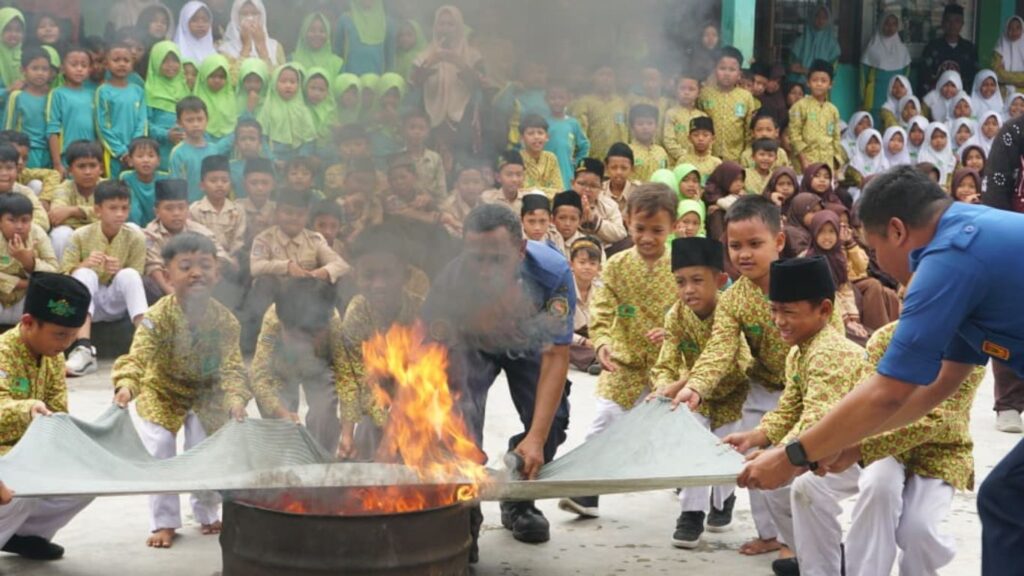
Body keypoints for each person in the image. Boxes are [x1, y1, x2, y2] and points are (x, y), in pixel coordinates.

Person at [729, 165, 1024, 574]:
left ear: (898, 231)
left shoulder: (947, 260)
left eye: (873, 247)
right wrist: (853, 444)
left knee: (1007, 500)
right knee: (1006, 499)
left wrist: (795, 455)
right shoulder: (967, 243)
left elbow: (889, 391)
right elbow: (938, 384)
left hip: (937, 454)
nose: (875, 261)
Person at [669, 196, 845, 559]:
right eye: (735, 246)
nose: (744, 254)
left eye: (755, 244)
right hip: (764, 387)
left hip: (814, 389)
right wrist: (695, 387)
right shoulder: (734, 299)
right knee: (755, 465)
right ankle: (777, 537)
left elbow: (834, 342)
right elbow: (720, 349)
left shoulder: (808, 279)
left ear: (778, 242)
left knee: (802, 471)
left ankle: (812, 548)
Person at [420, 203, 574, 554]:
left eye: (497, 260)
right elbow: (431, 357)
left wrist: (535, 438)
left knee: (551, 423)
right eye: (477, 259)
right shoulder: (450, 283)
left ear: (520, 251)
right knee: (459, 424)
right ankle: (464, 519)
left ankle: (518, 502)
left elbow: (556, 357)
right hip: (472, 347)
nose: (486, 271)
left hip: (530, 346)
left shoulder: (553, 274)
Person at [722, 256, 871, 576]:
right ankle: (815, 559)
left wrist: (780, 454)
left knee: (803, 486)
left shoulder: (829, 350)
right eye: (774, 310)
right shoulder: (799, 351)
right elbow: (789, 409)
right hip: (829, 448)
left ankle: (824, 567)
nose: (779, 321)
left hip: (863, 453)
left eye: (789, 312)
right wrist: (756, 437)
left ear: (825, 310)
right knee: (778, 486)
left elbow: (817, 417)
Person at [111, 232, 248, 549]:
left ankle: (207, 511)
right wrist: (126, 386)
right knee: (160, 445)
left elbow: (231, 367)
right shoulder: (156, 317)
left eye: (204, 265)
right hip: (161, 391)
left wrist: (236, 399)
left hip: (205, 394)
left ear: (217, 273)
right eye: (185, 266)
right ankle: (164, 522)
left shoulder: (226, 321)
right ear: (168, 274)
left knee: (203, 445)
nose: (196, 273)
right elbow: (138, 356)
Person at [560, 183, 677, 519]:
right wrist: (601, 342)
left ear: (671, 227)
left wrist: (673, 332)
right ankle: (587, 493)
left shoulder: (681, 265)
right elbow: (603, 311)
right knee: (606, 418)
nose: (648, 237)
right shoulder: (616, 264)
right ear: (627, 221)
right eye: (640, 228)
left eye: (657, 230)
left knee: (676, 425)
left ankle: (695, 492)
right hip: (623, 361)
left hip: (670, 366)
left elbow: (695, 309)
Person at [831, 321, 982, 576]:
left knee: (919, 530)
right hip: (882, 442)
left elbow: (934, 419)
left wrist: (858, 447)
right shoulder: (886, 337)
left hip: (942, 449)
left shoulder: (969, 346)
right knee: (878, 488)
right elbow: (869, 400)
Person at [649, 237, 747, 548]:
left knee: (725, 454)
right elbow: (666, 362)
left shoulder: (731, 311)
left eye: (697, 280)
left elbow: (736, 363)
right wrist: (662, 387)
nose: (688, 289)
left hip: (734, 397)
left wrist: (680, 384)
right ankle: (691, 513)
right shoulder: (675, 316)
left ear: (719, 281)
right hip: (693, 400)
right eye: (680, 282)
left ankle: (724, 499)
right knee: (692, 445)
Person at [0, 272, 92, 561]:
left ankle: (23, 537)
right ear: (28, 322)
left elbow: (58, 410)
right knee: (24, 488)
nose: (66, 343)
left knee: (87, 481)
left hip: (33, 453)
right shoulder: (2, 353)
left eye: (73, 335)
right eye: (60, 335)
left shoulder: (53, 356)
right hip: (5, 456)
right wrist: (28, 409)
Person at [335, 227, 426, 459]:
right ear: (356, 276)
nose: (378, 284)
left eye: (387, 275)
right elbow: (350, 379)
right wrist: (346, 434)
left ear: (405, 276)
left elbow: (418, 380)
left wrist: (391, 436)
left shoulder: (420, 311)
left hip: (416, 394)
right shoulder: (357, 312)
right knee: (366, 434)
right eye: (369, 275)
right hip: (374, 391)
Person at [60, 180, 147, 377]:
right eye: (113, 208)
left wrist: (117, 271)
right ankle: (84, 349)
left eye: (124, 208)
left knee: (129, 274)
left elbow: (137, 278)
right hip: (85, 305)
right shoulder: (80, 235)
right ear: (98, 210)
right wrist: (85, 264)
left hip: (115, 303)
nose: (119, 214)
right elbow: (64, 275)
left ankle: (146, 344)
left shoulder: (135, 237)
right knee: (84, 274)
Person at [250, 277, 341, 453]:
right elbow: (258, 375)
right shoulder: (274, 319)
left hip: (319, 369)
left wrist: (347, 431)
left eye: (309, 339)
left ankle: (321, 461)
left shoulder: (332, 322)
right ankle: (284, 462)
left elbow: (348, 375)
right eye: (296, 338)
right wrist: (281, 412)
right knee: (275, 411)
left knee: (324, 413)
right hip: (283, 368)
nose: (302, 347)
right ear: (283, 324)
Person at [410, 5, 483, 171]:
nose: (446, 29)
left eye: (451, 24)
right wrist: (432, 60)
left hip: (463, 116)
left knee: (462, 162)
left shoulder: (473, 55)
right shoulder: (423, 55)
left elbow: (479, 85)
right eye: (442, 24)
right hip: (430, 115)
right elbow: (414, 84)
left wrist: (458, 61)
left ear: (459, 27)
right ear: (435, 27)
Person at [142, 179, 227, 303]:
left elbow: (221, 256)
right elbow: (154, 268)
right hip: (166, 287)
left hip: (197, 282)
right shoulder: (150, 234)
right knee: (147, 283)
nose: (176, 213)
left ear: (188, 208)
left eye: (181, 207)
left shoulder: (198, 230)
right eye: (169, 208)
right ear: (157, 211)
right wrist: (174, 295)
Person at [0, 193, 58, 322]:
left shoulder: (37, 233)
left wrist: (28, 262)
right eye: (12, 220)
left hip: (27, 298)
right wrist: (22, 283)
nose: (19, 226)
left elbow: (54, 271)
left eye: (25, 220)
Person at [96, 41, 147, 179]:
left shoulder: (138, 91)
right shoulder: (103, 91)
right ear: (106, 64)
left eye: (126, 60)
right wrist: (121, 152)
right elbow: (102, 125)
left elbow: (142, 122)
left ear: (132, 64)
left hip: (136, 153)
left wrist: (135, 150)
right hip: (113, 152)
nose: (122, 64)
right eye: (116, 60)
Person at [47, 140, 105, 262]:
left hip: (103, 238)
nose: (87, 172)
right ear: (70, 171)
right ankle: (62, 278)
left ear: (101, 168)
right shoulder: (63, 188)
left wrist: (73, 210)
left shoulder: (109, 187)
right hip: (73, 241)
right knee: (61, 234)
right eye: (81, 166)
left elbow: (113, 216)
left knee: (132, 228)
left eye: (92, 165)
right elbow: (56, 216)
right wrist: (96, 216)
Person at [169, 96, 234, 202]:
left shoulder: (214, 150)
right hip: (189, 211)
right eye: (189, 120)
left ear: (207, 119)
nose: (196, 124)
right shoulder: (178, 153)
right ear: (179, 123)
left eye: (200, 119)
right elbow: (176, 188)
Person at [700, 47, 757, 162]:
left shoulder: (746, 97)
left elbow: (749, 130)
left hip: (736, 158)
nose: (727, 73)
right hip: (708, 157)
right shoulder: (705, 94)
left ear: (739, 74)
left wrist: (745, 156)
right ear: (715, 70)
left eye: (732, 70)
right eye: (722, 68)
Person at [45, 45, 94, 175]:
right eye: (73, 64)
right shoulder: (57, 94)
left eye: (84, 65)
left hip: (91, 155)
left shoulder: (94, 94)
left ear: (90, 69)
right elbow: (52, 130)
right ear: (62, 68)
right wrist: (57, 163)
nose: (79, 69)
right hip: (67, 156)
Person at [189, 155, 245, 269]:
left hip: (232, 262)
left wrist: (232, 258)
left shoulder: (238, 210)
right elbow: (197, 243)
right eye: (213, 180)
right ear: (202, 185)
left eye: (225, 180)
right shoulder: (195, 210)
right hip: (204, 262)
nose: (220, 184)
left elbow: (239, 240)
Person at [788, 59, 844, 172]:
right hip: (805, 164)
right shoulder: (800, 106)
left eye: (823, 81)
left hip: (826, 165)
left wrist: (835, 166)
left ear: (830, 85)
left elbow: (836, 139)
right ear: (808, 83)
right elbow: (794, 136)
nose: (819, 84)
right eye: (815, 80)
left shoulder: (833, 110)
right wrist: (803, 160)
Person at [259, 63, 317, 163]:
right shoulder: (268, 108)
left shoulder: (302, 109)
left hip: (298, 157)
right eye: (283, 81)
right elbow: (261, 138)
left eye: (293, 82)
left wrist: (301, 159)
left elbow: (309, 139)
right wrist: (272, 159)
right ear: (274, 83)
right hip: (273, 155)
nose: (288, 85)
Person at [144, 41, 189, 170]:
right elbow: (145, 123)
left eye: (175, 60)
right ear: (156, 62)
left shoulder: (185, 88)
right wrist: (166, 134)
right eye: (165, 61)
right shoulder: (149, 90)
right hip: (159, 149)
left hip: (184, 147)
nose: (171, 65)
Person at [4, 47, 51, 169]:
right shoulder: (17, 96)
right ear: (23, 70)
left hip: (48, 153)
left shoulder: (52, 97)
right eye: (35, 68)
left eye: (44, 69)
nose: (40, 73)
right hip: (24, 153)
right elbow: (8, 128)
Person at [861, 12, 911, 125]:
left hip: (896, 98)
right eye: (887, 24)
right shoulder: (872, 49)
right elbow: (863, 77)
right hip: (875, 98)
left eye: (894, 24)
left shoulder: (902, 50)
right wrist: (862, 99)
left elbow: (906, 76)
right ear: (881, 24)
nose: (890, 27)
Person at [569, 65, 628, 162]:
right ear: (592, 78)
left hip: (617, 162)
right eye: (602, 74)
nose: (606, 79)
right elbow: (579, 134)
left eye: (609, 75)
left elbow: (626, 131)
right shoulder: (584, 103)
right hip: (592, 160)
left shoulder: (621, 103)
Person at [918, 4, 976, 94]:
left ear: (962, 24)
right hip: (936, 100)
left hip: (961, 102)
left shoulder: (969, 49)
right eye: (948, 21)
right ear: (942, 23)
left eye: (957, 21)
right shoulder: (932, 47)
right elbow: (924, 78)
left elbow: (973, 79)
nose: (952, 25)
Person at [543, 81, 590, 190]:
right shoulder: (543, 123)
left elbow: (584, 145)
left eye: (561, 98)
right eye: (553, 98)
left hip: (566, 168)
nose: (557, 102)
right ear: (546, 100)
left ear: (568, 99)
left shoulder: (573, 123)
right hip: (546, 169)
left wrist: (577, 163)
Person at [573, 158, 626, 250]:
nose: (587, 189)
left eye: (593, 186)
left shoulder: (610, 205)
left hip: (602, 252)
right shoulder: (562, 202)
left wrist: (594, 221)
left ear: (601, 187)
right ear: (572, 183)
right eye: (582, 184)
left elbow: (621, 233)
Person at [566, 237, 601, 374]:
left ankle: (601, 357)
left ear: (599, 268)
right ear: (571, 264)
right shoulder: (562, 289)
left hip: (593, 334)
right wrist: (583, 341)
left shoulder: (602, 290)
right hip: (570, 335)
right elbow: (557, 326)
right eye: (582, 262)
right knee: (558, 343)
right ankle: (594, 360)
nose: (587, 267)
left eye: (592, 264)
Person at [334, 0, 394, 76]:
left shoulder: (387, 23)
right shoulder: (345, 20)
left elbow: (390, 59)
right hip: (350, 82)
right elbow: (337, 54)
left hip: (377, 82)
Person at [218, 0, 284, 68]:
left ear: (262, 16)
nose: (250, 18)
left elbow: (277, 77)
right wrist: (246, 47)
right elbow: (233, 77)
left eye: (254, 13)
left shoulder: (275, 47)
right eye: (244, 14)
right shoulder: (225, 49)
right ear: (236, 18)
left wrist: (262, 47)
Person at [120, 137, 168, 227]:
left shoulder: (166, 178)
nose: (146, 160)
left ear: (158, 161)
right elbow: (133, 211)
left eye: (151, 156)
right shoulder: (126, 178)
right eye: (140, 156)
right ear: (130, 161)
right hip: (135, 228)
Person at [787, 5, 840, 85]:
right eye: (817, 16)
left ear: (828, 20)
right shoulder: (800, 41)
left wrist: (806, 71)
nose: (820, 20)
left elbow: (832, 71)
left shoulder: (833, 46)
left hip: (821, 85)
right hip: (799, 85)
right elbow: (792, 67)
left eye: (824, 17)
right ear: (811, 18)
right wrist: (810, 72)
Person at [400, 110, 446, 202]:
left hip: (431, 207)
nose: (417, 132)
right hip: (405, 207)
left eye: (421, 128)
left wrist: (429, 199)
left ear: (428, 132)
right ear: (403, 130)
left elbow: (442, 192)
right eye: (412, 127)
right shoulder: (398, 157)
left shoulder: (435, 158)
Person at [662, 72, 707, 165]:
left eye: (691, 89)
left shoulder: (702, 116)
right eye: (682, 88)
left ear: (698, 92)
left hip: (699, 163)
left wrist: (700, 157)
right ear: (676, 91)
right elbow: (668, 140)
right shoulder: (671, 113)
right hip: (676, 162)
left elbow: (708, 142)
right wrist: (686, 157)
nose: (686, 92)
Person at [193, 54, 236, 145]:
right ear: (204, 76)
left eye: (221, 77)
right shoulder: (195, 100)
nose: (217, 80)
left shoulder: (232, 98)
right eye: (212, 76)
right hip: (201, 144)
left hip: (229, 145)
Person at [518, 114, 563, 198]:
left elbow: (559, 190)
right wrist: (543, 191)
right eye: (531, 133)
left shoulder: (551, 158)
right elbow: (518, 191)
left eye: (540, 133)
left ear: (547, 137)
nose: (536, 137)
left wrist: (534, 190)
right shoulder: (517, 158)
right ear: (522, 138)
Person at [627, 104, 668, 182]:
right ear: (632, 127)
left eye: (650, 123)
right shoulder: (627, 152)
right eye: (640, 124)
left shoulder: (661, 152)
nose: (645, 127)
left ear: (656, 126)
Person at [991, 15, 1024, 94]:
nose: (1014, 31)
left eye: (1017, 28)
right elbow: (997, 74)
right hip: (1003, 93)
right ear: (1006, 29)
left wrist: (1006, 77)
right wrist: (1019, 80)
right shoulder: (999, 49)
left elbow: (1002, 75)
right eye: (1010, 28)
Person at [0, 8, 25, 106]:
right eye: (8, 29)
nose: (13, 34)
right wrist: (8, 90)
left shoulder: (27, 56)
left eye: (18, 30)